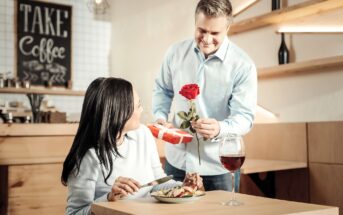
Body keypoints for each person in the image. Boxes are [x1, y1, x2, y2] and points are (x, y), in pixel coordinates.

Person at [152, 0, 257, 191]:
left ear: (228, 28)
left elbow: (245, 118)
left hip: (219, 167)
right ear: (195, 24)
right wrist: (160, 117)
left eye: (215, 33)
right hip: (176, 163)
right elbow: (162, 89)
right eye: (202, 30)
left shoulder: (243, 66)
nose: (207, 39)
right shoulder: (174, 53)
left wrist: (220, 128)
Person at [61, 77, 203, 215]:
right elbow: (75, 212)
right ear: (119, 112)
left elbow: (156, 183)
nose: (142, 110)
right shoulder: (89, 156)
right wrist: (109, 198)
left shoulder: (143, 134)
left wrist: (183, 186)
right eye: (138, 105)